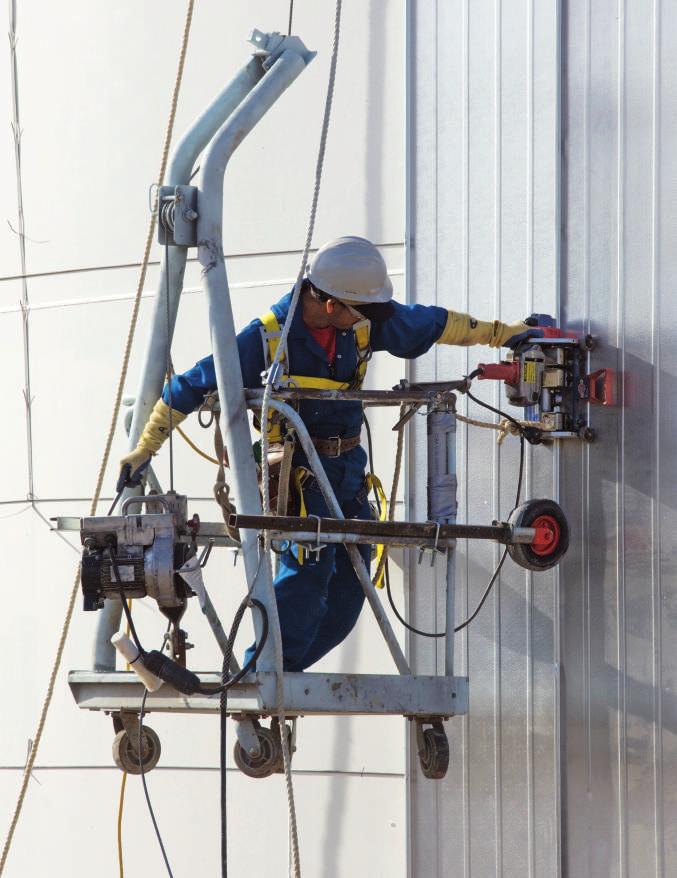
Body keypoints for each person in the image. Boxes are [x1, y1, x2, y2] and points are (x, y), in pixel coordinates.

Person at [119, 236, 539, 671]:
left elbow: (433, 324)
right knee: (306, 575)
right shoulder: (269, 337)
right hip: (300, 477)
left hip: (348, 473)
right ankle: (261, 674)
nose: (371, 321)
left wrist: (504, 335)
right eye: (360, 312)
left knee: (350, 586)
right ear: (332, 304)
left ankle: (278, 672)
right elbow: (191, 384)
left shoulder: (359, 321)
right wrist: (143, 448)